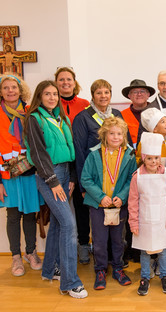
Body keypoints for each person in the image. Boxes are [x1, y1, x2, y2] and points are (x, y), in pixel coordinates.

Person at [24, 80, 88, 298]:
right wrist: (53, 181)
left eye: (54, 94)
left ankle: (50, 269)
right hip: (49, 176)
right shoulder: (34, 119)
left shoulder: (61, 118)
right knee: (70, 226)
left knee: (59, 224)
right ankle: (70, 283)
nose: (52, 97)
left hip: (64, 175)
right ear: (39, 97)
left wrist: (71, 178)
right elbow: (39, 154)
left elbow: (70, 152)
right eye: (47, 94)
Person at [72, 79, 129, 264]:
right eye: (99, 93)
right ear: (92, 95)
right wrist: (83, 186)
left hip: (116, 179)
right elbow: (80, 152)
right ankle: (96, 260)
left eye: (106, 92)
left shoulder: (117, 114)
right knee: (96, 225)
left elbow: (125, 142)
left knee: (116, 229)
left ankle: (116, 260)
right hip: (94, 179)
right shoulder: (83, 117)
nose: (103, 96)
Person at [81, 117, 137, 290]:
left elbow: (132, 179)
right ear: (104, 135)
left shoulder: (129, 155)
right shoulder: (94, 154)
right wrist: (100, 197)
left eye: (119, 134)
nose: (115, 137)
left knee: (118, 239)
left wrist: (122, 196)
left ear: (124, 136)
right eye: (111, 133)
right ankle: (100, 269)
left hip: (119, 205)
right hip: (99, 206)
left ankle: (118, 268)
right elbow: (86, 179)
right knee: (99, 240)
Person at [0, 73, 43, 276]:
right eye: (6, 88)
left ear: (20, 90)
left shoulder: (30, 111)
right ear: (1, 91)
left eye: (14, 87)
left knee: (29, 214)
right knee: (13, 215)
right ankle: (16, 257)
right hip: (7, 175)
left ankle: (31, 252)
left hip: (28, 171)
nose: (10, 91)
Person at [128, 132, 166, 296]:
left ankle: (165, 275)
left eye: (156, 158)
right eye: (149, 158)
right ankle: (145, 277)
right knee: (145, 251)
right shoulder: (137, 177)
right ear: (143, 158)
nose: (153, 162)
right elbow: (133, 202)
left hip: (162, 221)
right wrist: (133, 223)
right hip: (143, 221)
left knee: (162, 250)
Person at [54, 66, 91, 265]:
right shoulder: (50, 103)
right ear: (56, 82)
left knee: (81, 204)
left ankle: (83, 244)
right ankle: (61, 251)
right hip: (59, 163)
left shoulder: (85, 104)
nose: (65, 83)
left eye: (69, 79)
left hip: (80, 162)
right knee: (60, 208)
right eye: (61, 80)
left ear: (75, 82)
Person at [121, 79, 155, 149]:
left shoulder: (156, 112)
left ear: (148, 95)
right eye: (135, 92)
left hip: (154, 155)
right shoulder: (121, 116)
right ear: (129, 96)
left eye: (142, 91)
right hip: (130, 156)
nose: (139, 94)